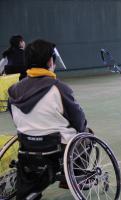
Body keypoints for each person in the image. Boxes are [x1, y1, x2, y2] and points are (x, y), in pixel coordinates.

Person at [8, 39, 88, 199]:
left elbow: (15, 117)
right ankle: (73, 177)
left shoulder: (13, 90)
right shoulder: (59, 88)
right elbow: (78, 120)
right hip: (57, 146)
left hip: (26, 144)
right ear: (50, 61)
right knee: (86, 134)